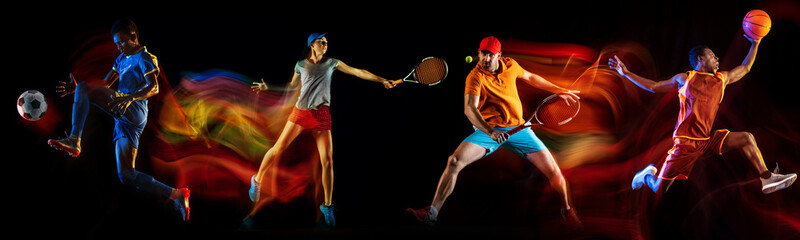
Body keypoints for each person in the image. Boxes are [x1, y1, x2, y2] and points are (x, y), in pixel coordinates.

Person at [406, 36, 582, 226]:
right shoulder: (475, 77)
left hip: (519, 129)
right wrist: (490, 132)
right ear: (478, 53)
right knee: (454, 161)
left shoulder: (511, 66)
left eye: (490, 55)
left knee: (554, 171)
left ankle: (567, 212)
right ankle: (431, 213)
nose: (486, 59)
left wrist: (559, 90)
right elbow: (469, 109)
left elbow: (530, 77)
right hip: (488, 131)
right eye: (483, 54)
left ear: (499, 55)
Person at [608, 34, 796, 195]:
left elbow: (745, 67)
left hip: (706, 140)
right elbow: (653, 86)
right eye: (712, 56)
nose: (717, 59)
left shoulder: (720, 79)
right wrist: (625, 73)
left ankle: (767, 177)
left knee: (747, 138)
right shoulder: (685, 78)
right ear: (700, 60)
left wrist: (755, 42)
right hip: (686, 144)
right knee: (659, 188)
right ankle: (648, 175)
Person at [248, 33, 397, 227]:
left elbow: (357, 71)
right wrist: (268, 87)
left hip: (322, 117)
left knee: (327, 161)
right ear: (312, 45)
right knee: (278, 149)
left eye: (326, 42)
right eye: (321, 41)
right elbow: (291, 87)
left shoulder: (332, 63)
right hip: (301, 114)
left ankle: (327, 206)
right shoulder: (301, 65)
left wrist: (382, 79)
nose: (325, 44)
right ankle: (257, 180)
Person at [49, 19, 190, 221]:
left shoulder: (145, 57)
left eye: (122, 42)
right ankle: (176, 194)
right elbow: (106, 83)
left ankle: (74, 139)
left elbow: (154, 87)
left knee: (84, 89)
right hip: (124, 118)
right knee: (126, 175)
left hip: (134, 109)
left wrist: (130, 97)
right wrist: (79, 90)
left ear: (133, 37)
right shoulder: (121, 59)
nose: (119, 47)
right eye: (116, 43)